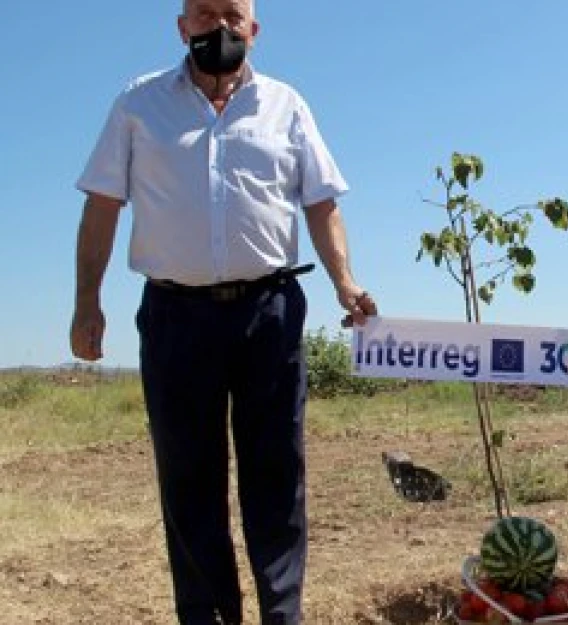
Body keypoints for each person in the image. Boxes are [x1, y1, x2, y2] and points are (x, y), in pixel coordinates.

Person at [69, 1, 377, 623]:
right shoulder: (138, 104)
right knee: (188, 481)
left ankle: (281, 614)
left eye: (233, 14)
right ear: (182, 28)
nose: (220, 26)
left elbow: (321, 203)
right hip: (175, 317)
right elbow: (103, 205)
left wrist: (346, 282)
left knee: (276, 475)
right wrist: (87, 302)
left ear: (254, 30)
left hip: (268, 314)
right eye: (204, 13)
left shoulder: (287, 105)